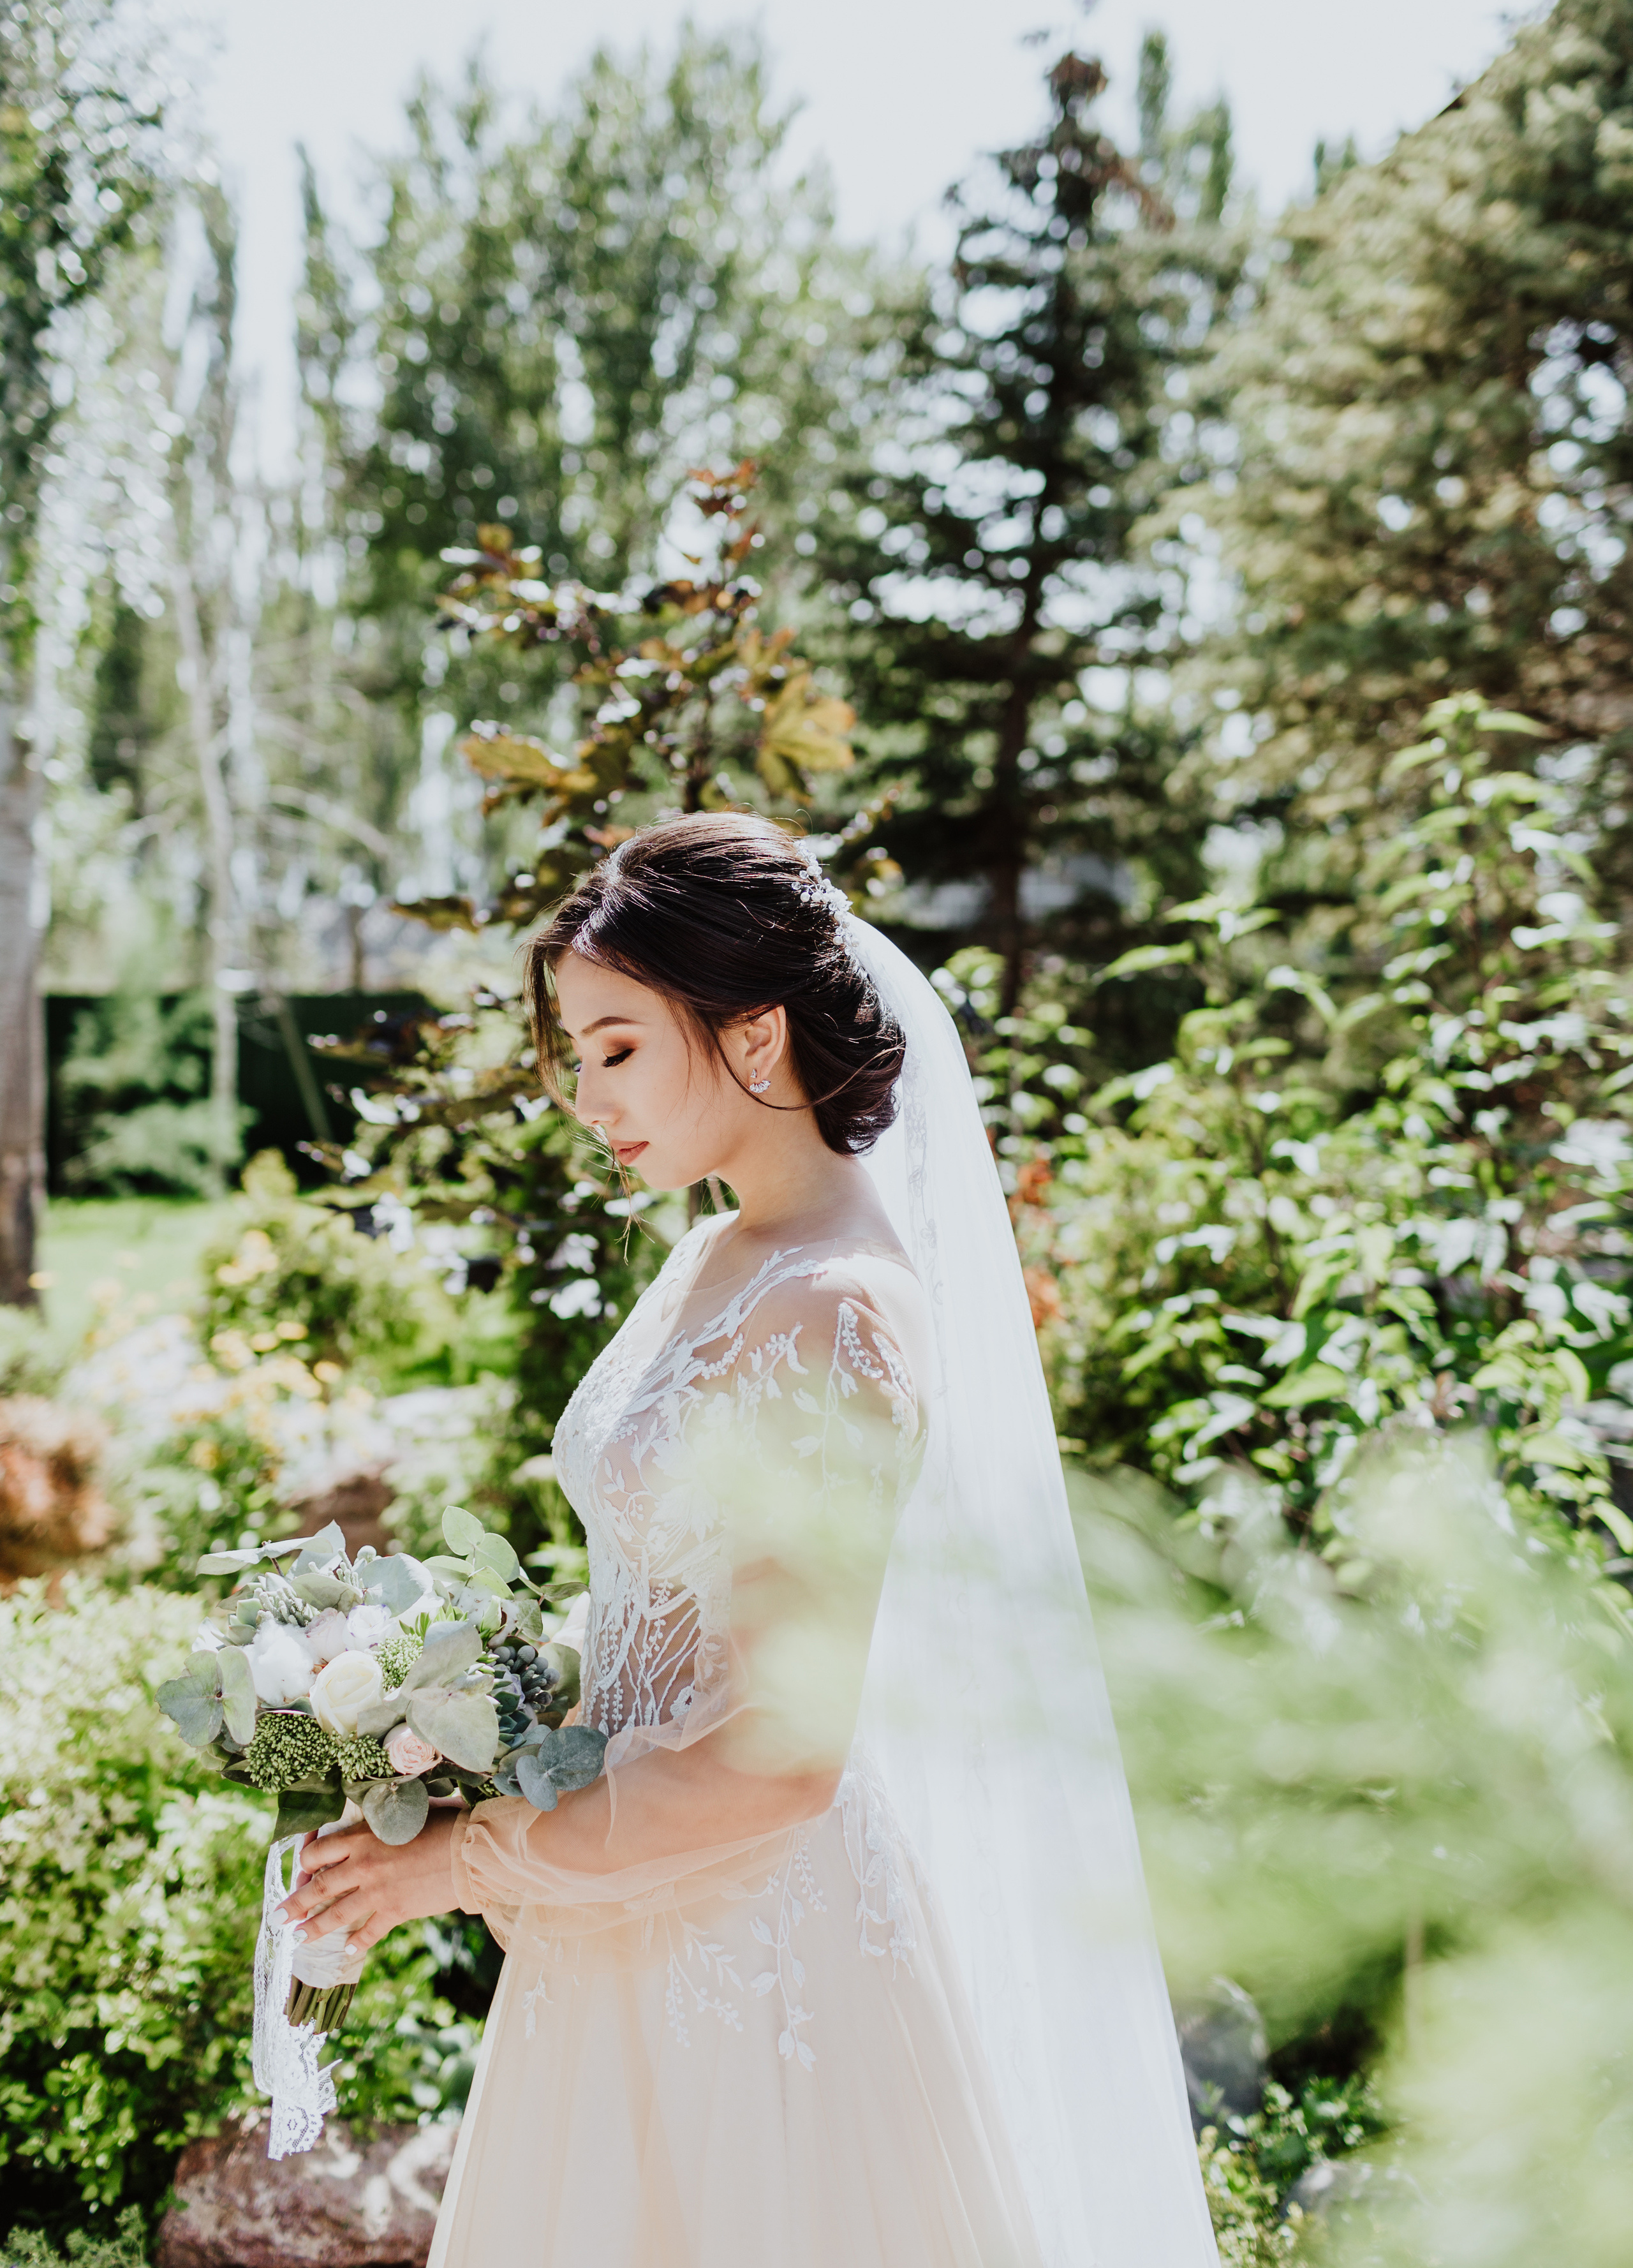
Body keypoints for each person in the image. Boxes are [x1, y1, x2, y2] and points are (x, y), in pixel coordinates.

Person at [276, 815, 1216, 2268]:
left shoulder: (838, 1311)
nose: (583, 1097)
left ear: (755, 1035)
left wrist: (462, 1864)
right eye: (574, 1055)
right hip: (620, 1902)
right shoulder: (717, 1253)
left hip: (764, 1960)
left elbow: (781, 1757)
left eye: (614, 1047)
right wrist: (449, 1735)